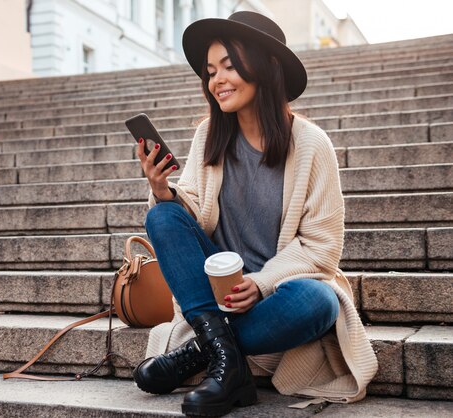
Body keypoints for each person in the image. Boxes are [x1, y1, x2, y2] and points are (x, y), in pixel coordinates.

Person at [131, 11, 378, 417]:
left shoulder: (313, 145)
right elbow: (190, 210)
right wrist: (161, 189)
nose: (217, 80)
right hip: (215, 290)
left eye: (229, 66)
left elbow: (323, 247)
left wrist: (261, 283)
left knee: (319, 301)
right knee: (162, 216)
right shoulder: (208, 134)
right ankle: (229, 367)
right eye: (211, 71)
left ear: (266, 67)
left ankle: (200, 354)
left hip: (277, 292)